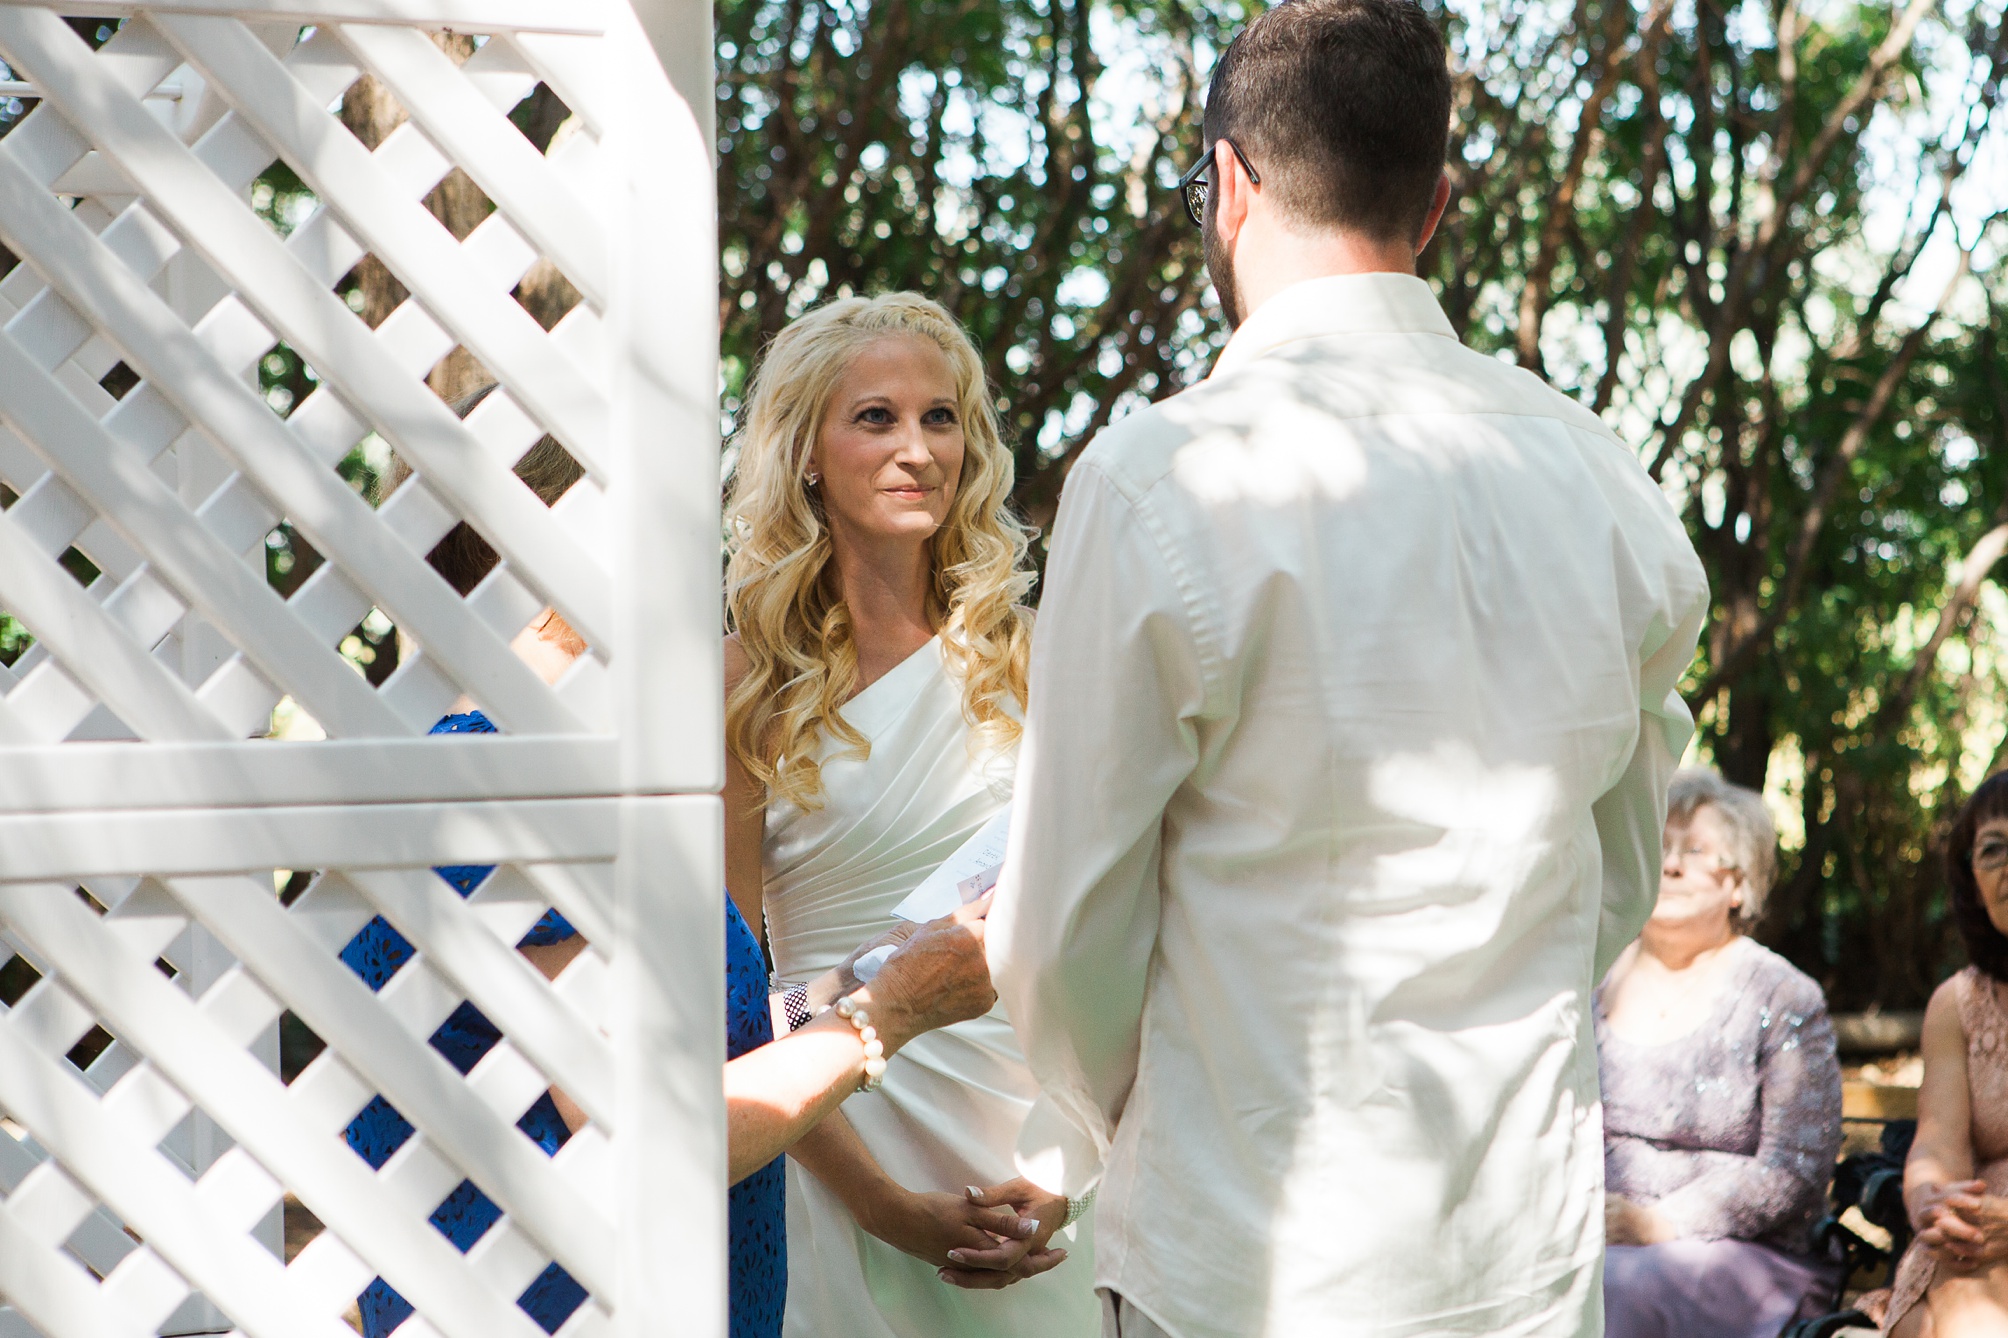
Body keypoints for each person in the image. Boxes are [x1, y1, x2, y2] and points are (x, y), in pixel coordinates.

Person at [983, 2, 1711, 1334]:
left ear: (1227, 183)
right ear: (1435, 205)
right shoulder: (1604, 480)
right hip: (1515, 1261)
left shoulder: (1161, 479)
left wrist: (1143, 1116)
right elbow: (1616, 882)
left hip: (1240, 1255)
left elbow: (1061, 928)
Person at [340, 395, 1014, 1338]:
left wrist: (874, 969)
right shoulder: (533, 780)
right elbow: (650, 1139)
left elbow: (702, 1041)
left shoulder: (486, 761)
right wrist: (888, 1015)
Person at [721, 292, 1100, 1335]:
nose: (918, 448)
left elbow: (1111, 932)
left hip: (1037, 1149)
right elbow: (730, 994)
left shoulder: (1042, 659)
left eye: (941, 419)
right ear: (805, 452)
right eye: (876, 417)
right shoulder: (744, 688)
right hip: (839, 1134)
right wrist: (886, 1208)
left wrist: (1067, 1166)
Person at [1597, 769, 1844, 1337]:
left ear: (1739, 884)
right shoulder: (1591, 980)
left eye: (1694, 850)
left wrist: (1660, 1223)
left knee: (1614, 1284)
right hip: (1598, 1237)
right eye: (1657, 848)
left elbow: (1793, 1171)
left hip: (1746, 1254)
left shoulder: (1782, 995)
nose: (1671, 865)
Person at [1884, 771, 2008, 1337]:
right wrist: (1935, 1205)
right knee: (1961, 1291)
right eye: (1993, 849)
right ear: (1972, 883)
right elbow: (1938, 1144)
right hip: (1974, 1247)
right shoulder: (1956, 1004)